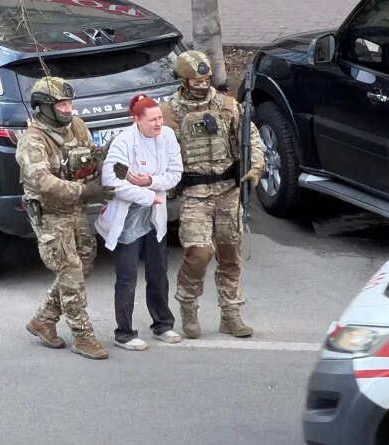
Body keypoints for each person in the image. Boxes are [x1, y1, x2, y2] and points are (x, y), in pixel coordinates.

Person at [160, 50, 264, 339]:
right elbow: (158, 147)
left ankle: (230, 314)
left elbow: (249, 136)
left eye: (206, 79)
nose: (202, 84)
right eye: (195, 80)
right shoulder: (171, 111)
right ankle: (188, 306)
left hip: (228, 191)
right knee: (199, 253)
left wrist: (255, 166)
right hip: (194, 194)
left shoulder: (227, 105)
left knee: (230, 255)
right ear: (183, 81)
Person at [16, 76, 114, 360]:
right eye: (61, 103)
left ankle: (43, 320)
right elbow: (42, 181)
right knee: (70, 272)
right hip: (50, 214)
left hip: (76, 210)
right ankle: (83, 336)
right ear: (45, 107)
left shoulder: (77, 125)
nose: (68, 108)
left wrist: (106, 155)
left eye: (69, 102)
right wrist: (85, 190)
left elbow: (89, 156)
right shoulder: (32, 140)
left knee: (84, 264)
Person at [95, 94, 184, 351]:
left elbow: (175, 173)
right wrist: (146, 195)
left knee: (158, 271)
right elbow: (112, 181)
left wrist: (149, 182)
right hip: (128, 216)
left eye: (160, 118)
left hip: (155, 215)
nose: (158, 123)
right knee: (127, 275)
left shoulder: (167, 136)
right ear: (136, 120)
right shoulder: (123, 142)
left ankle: (163, 324)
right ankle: (124, 332)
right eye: (152, 120)